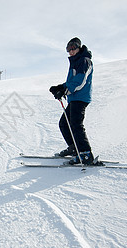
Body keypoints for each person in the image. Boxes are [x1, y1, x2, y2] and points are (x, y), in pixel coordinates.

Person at [49, 37, 94, 165]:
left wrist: (66, 91)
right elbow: (72, 82)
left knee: (76, 124)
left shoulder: (85, 61)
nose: (71, 51)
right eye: (68, 49)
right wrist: (61, 87)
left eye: (73, 48)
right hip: (74, 98)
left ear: (79, 47)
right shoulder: (75, 62)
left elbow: (80, 82)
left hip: (81, 97)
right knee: (64, 124)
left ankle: (85, 154)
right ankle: (75, 148)